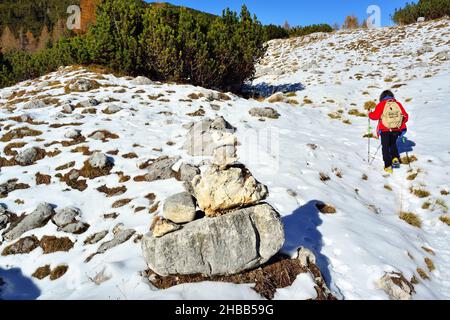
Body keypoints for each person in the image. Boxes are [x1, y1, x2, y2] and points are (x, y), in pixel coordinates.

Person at [369, 90, 409, 174]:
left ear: (382, 97)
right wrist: (398, 123)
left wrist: (369, 114)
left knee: (385, 147)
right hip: (396, 129)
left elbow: (375, 116)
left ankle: (388, 166)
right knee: (393, 144)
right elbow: (405, 117)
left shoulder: (381, 104)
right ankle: (395, 158)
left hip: (385, 130)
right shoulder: (397, 104)